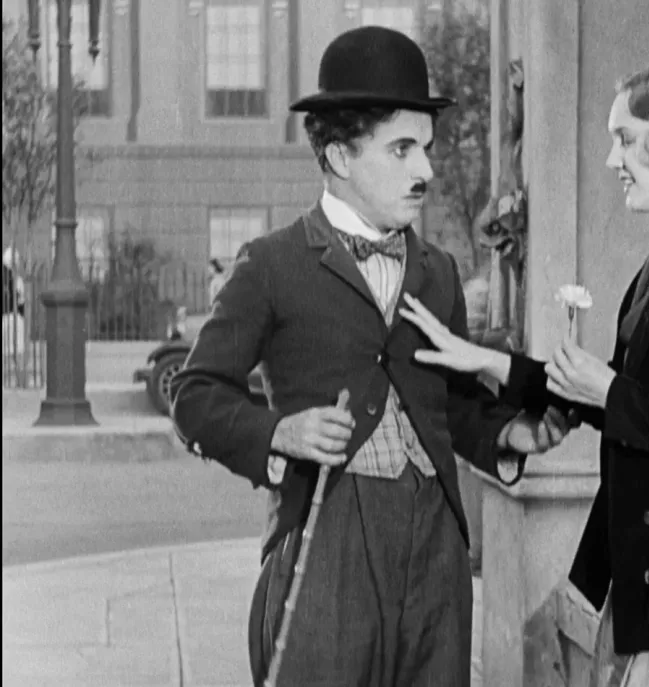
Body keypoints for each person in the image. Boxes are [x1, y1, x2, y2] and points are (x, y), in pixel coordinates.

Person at [170, 26, 574, 687]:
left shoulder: (439, 272)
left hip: (437, 549)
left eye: (428, 149)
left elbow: (450, 407)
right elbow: (194, 395)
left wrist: (509, 430)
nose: (427, 170)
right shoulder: (271, 265)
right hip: (327, 535)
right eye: (403, 149)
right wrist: (280, 431)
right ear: (339, 155)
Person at [400, 57, 649, 687]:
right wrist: (490, 362)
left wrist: (613, 392)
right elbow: (615, 393)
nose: (612, 161)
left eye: (626, 140)